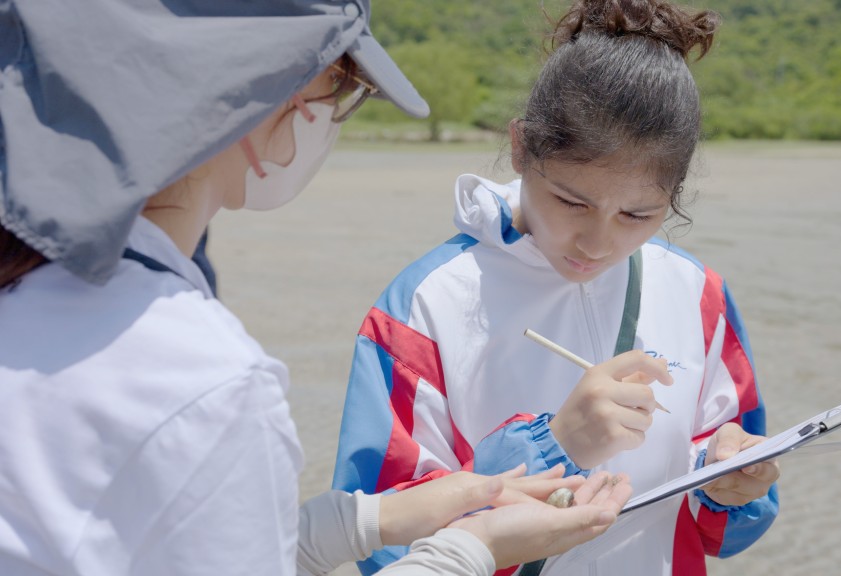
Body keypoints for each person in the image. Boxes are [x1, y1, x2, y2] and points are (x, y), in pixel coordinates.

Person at [0, 1, 634, 575]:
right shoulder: (209, 382)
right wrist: (479, 546)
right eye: (342, 85)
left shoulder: (30, 282)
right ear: (272, 92)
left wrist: (373, 522)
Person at [332, 0, 781, 574]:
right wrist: (557, 444)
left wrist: (728, 480)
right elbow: (379, 535)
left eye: (638, 215)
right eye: (572, 201)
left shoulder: (698, 293)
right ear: (520, 147)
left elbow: (722, 518)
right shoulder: (424, 305)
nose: (596, 242)